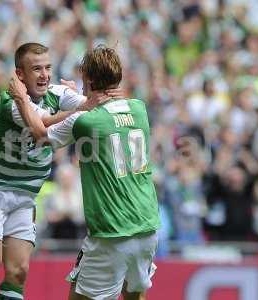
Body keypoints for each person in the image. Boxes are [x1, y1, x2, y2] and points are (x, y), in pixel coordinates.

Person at [0, 42, 122, 300]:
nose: (44, 74)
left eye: (47, 67)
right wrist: (80, 107)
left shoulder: (57, 94)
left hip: (23, 196)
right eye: (36, 69)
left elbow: (92, 105)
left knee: (18, 271)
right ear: (20, 75)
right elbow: (40, 126)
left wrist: (94, 100)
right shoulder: (11, 102)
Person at [9, 45, 160, 300]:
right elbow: (107, 110)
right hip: (147, 227)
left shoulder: (86, 122)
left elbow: (40, 135)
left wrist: (21, 98)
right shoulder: (139, 109)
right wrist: (80, 96)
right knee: (134, 296)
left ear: (88, 79)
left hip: (111, 233)